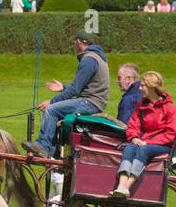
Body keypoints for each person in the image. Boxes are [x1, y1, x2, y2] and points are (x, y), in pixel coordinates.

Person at [21, 29, 110, 158]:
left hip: (91, 102)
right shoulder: (95, 57)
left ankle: (43, 146)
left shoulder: (89, 60)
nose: (74, 44)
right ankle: (53, 153)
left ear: (78, 41)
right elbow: (83, 87)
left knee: (51, 110)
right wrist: (63, 87)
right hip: (92, 100)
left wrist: (51, 101)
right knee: (55, 112)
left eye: (75, 41)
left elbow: (74, 90)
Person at [111, 71, 176, 198]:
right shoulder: (141, 105)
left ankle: (127, 187)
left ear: (152, 87)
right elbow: (132, 126)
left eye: (142, 86)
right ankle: (121, 184)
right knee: (130, 147)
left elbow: (170, 135)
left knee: (143, 150)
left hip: (162, 145)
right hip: (142, 142)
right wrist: (134, 137)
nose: (139, 88)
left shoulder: (170, 109)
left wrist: (147, 142)